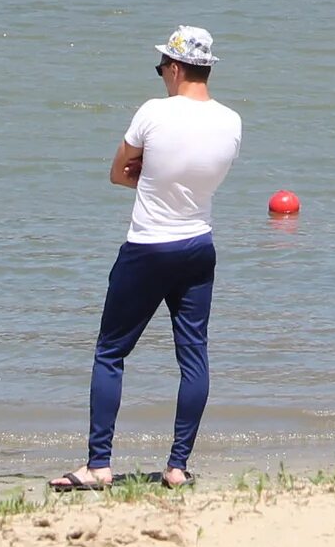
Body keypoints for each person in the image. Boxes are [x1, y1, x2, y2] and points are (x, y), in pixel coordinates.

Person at [53, 26, 241, 492]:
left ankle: (98, 465)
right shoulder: (232, 121)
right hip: (199, 245)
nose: (160, 75)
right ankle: (177, 467)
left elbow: (119, 172)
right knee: (194, 355)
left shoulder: (154, 112)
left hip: (148, 247)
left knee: (111, 352)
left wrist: (149, 179)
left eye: (162, 67)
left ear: (175, 68)